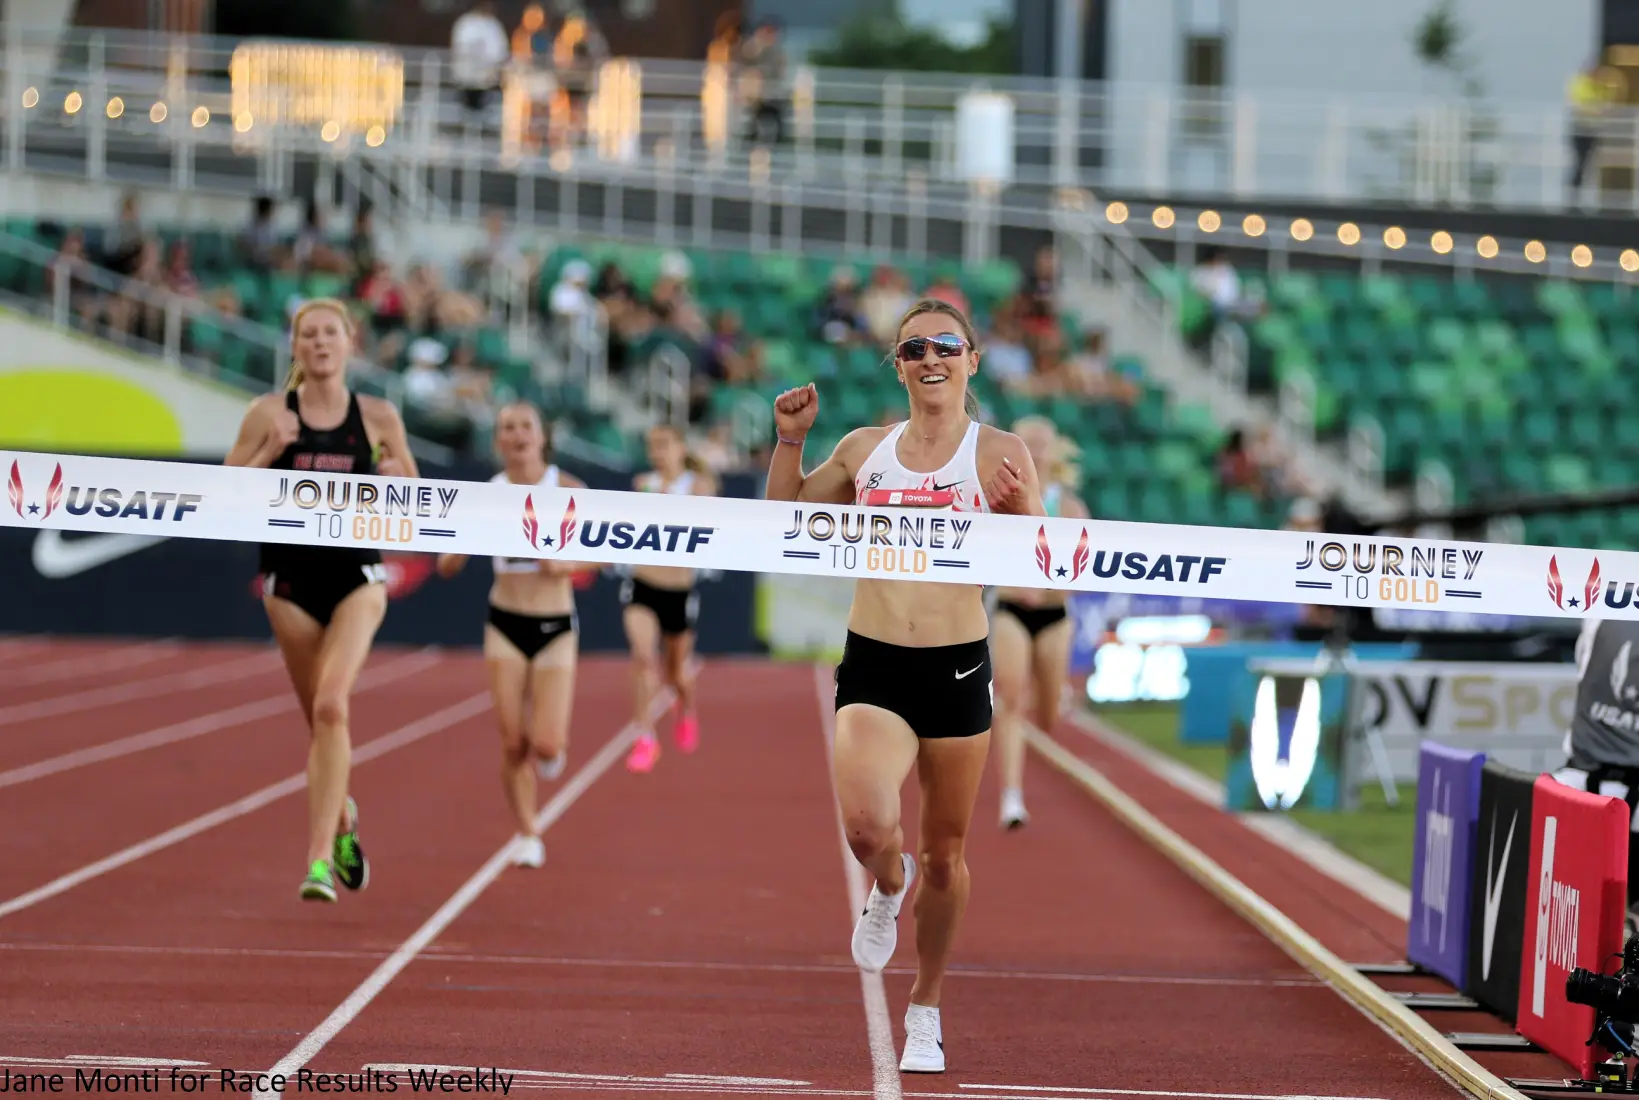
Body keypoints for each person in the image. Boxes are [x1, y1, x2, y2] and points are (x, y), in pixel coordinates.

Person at [765, 299, 1044, 1074]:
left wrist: (1024, 512)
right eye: (914, 346)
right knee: (865, 827)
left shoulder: (1000, 451)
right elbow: (781, 520)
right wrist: (790, 440)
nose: (931, 357)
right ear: (897, 363)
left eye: (946, 345)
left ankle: (925, 1004)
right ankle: (887, 884)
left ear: (972, 359)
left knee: (948, 857)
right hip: (876, 665)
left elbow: (1045, 574)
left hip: (956, 671)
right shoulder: (864, 449)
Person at [224, 297, 418, 903]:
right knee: (319, 723)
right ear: (295, 348)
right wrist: (266, 451)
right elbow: (223, 502)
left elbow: (412, 495)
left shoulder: (379, 416)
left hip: (357, 577)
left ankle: (315, 863)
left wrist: (393, 482)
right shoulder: (268, 413)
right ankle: (343, 822)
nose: (321, 344)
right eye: (309, 335)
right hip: (288, 583)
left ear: (350, 342)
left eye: (331, 333)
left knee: (333, 707)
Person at [435, 402, 588, 868]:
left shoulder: (567, 489)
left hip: (555, 625)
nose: (517, 434)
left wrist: (565, 564)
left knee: (545, 744)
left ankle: (552, 752)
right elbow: (446, 564)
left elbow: (600, 552)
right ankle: (528, 831)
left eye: (526, 426)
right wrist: (460, 549)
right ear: (498, 441)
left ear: (542, 437)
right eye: (507, 428)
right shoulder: (489, 494)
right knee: (512, 742)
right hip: (504, 620)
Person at [988, 415, 1089, 830]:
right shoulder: (998, 497)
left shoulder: (1069, 506)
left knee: (1046, 716)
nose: (1034, 449)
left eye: (1041, 442)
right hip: (1012, 609)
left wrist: (1050, 585)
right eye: (1026, 441)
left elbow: (1083, 567)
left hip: (1053, 615)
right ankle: (1011, 796)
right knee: (1010, 702)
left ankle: (1056, 694)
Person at [621, 422, 719, 774]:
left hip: (679, 591)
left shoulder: (698, 486)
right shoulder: (642, 485)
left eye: (664, 444)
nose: (658, 452)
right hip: (643, 584)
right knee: (643, 657)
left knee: (676, 673)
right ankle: (644, 736)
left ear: (680, 447)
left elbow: (710, 522)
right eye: (653, 445)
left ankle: (687, 707)